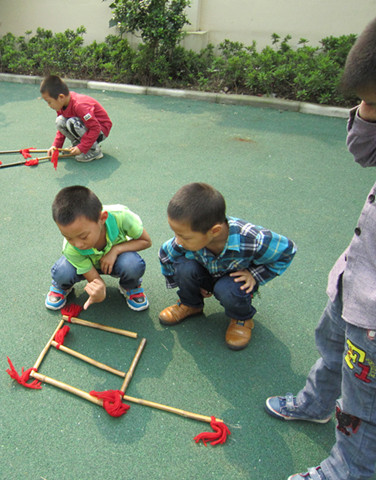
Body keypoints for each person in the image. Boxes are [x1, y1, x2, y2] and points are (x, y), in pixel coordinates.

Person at [264, 17, 376, 480]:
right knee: (330, 344)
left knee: (364, 403)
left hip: (374, 314)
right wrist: (368, 112)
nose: (367, 108)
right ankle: (316, 403)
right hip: (356, 277)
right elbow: (364, 153)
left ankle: (349, 469)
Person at [158, 182, 296, 350]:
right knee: (183, 266)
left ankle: (242, 319)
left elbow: (287, 251)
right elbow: (165, 254)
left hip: (234, 281)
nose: (178, 241)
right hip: (206, 273)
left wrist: (255, 275)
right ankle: (190, 304)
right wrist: (188, 286)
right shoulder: (186, 239)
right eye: (175, 233)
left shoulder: (253, 239)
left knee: (227, 289)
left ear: (214, 231)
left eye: (184, 236)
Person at [46, 185, 151, 312]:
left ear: (102, 218)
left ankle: (130, 286)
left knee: (132, 264)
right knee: (62, 272)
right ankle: (61, 286)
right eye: (68, 237)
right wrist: (100, 290)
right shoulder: (71, 248)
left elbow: (146, 241)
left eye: (83, 236)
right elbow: (95, 279)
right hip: (86, 265)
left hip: (116, 261)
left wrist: (115, 250)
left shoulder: (122, 216)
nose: (78, 244)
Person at [40, 75, 112, 163]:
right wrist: (56, 146)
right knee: (60, 121)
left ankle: (94, 150)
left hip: (101, 130)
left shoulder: (79, 105)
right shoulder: (61, 105)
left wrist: (82, 148)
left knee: (73, 122)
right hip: (87, 127)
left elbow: (95, 128)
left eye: (49, 102)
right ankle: (78, 145)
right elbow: (61, 130)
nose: (49, 105)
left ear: (61, 97)